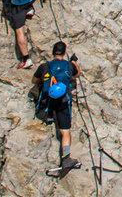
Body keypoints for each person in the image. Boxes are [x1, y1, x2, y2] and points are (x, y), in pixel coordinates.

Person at [33, 40, 82, 175]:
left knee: (49, 105)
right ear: (64, 52)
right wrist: (74, 62)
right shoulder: (69, 66)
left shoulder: (45, 66)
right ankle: (65, 158)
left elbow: (34, 81)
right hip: (63, 101)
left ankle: (48, 116)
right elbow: (77, 75)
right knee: (65, 131)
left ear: (53, 52)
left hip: (48, 101)